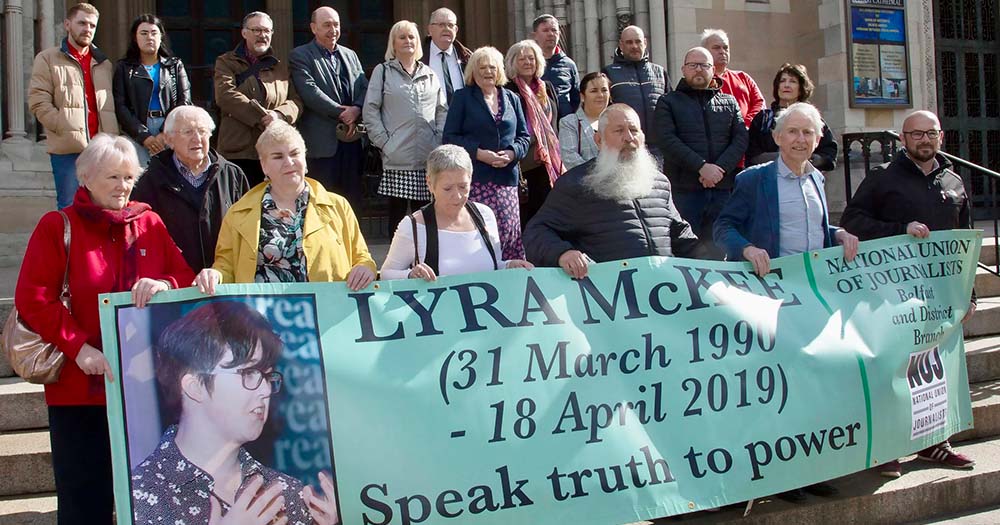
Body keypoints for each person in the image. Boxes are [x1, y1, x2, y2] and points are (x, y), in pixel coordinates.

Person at [14, 134, 195, 524]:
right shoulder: (56, 225)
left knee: (147, 498)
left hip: (145, 391)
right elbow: (33, 298)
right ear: (86, 178)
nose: (123, 186)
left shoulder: (149, 222)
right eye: (113, 177)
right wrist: (79, 348)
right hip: (79, 388)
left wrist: (163, 283)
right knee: (84, 498)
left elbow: (183, 278)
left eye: (129, 177)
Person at [714, 102, 859, 503]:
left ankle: (810, 468)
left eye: (807, 133)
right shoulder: (754, 179)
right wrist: (745, 249)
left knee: (810, 384)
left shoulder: (815, 180)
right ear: (777, 137)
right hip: (769, 299)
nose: (799, 140)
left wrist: (839, 233)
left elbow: (813, 230)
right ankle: (779, 474)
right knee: (777, 387)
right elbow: (724, 226)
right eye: (792, 132)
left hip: (811, 299)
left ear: (817, 140)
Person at [841, 110, 977, 478]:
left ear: (941, 136)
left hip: (941, 297)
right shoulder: (882, 178)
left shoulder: (953, 180)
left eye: (930, 133)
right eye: (915, 134)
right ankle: (888, 447)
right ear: (903, 139)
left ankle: (935, 442)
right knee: (893, 371)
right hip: (893, 294)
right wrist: (900, 228)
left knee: (934, 372)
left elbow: (964, 246)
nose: (923, 140)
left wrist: (970, 295)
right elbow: (852, 221)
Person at [130, 301, 337, 525]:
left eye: (268, 377)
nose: (266, 389)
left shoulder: (284, 492)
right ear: (195, 386)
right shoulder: (138, 495)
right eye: (248, 373)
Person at [194, 122, 375, 292]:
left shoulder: (338, 205)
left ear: (305, 159)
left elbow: (362, 257)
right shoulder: (238, 213)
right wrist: (215, 275)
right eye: (278, 156)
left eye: (295, 154)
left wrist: (365, 268)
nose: (289, 162)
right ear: (264, 166)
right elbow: (225, 266)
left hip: (325, 314)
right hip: (262, 320)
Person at [524, 104, 703, 276]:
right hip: (608, 296)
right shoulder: (577, 183)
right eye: (619, 131)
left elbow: (680, 235)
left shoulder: (658, 182)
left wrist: (712, 258)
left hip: (662, 293)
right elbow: (536, 232)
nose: (628, 138)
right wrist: (563, 254)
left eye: (634, 130)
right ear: (599, 140)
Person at [380, 145, 534, 280]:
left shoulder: (485, 215)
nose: (457, 196)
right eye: (447, 188)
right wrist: (410, 275)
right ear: (429, 183)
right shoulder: (413, 226)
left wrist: (509, 266)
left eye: (463, 186)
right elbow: (386, 274)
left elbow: (492, 266)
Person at [653, 46, 747, 260]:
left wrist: (719, 169)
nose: (698, 70)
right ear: (683, 69)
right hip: (684, 190)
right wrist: (702, 166)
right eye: (693, 65)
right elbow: (667, 140)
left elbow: (741, 139)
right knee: (687, 249)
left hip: (722, 189)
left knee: (720, 249)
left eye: (704, 66)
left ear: (713, 70)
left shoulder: (729, 102)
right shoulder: (668, 102)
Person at [131, 106, 249, 273]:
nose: (197, 139)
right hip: (174, 284)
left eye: (202, 131)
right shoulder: (151, 180)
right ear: (169, 140)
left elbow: (246, 231)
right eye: (187, 132)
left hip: (224, 282)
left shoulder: (232, 174)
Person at [443, 46, 531, 260]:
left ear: (499, 71)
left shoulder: (512, 98)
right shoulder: (462, 97)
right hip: (476, 180)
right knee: (478, 235)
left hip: (506, 182)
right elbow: (450, 136)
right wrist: (479, 153)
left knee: (508, 236)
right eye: (481, 67)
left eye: (492, 67)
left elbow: (524, 137)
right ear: (473, 71)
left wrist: (512, 153)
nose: (487, 71)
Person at [29, 3, 119, 210]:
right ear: (67, 24)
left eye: (92, 25)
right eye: (82, 23)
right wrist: (62, 124)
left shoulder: (103, 63)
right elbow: (38, 100)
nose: (87, 29)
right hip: (68, 149)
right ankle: (71, 244)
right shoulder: (47, 58)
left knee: (104, 205)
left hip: (101, 148)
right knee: (69, 206)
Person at [364, 20, 447, 229]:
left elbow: (441, 110)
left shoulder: (429, 73)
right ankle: (399, 262)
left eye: (411, 37)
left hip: (427, 157)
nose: (407, 41)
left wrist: (437, 140)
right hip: (397, 157)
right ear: (393, 43)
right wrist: (384, 142)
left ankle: (426, 259)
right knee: (398, 221)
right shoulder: (382, 72)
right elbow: (371, 109)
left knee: (427, 218)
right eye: (402, 37)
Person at [289, 7, 368, 209]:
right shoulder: (300, 55)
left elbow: (364, 87)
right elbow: (309, 92)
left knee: (351, 202)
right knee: (322, 202)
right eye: (327, 25)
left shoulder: (350, 55)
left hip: (351, 143)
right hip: (322, 146)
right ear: (313, 28)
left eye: (336, 24)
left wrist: (357, 109)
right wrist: (343, 112)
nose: (333, 29)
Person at [215, 11, 301, 188]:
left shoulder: (280, 66)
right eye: (256, 30)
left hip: (275, 150)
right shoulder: (226, 62)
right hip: (239, 152)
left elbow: (295, 101)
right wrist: (262, 118)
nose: (262, 35)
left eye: (267, 31)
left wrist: (278, 115)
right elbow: (225, 95)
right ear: (244, 33)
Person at [112, 14, 191, 167]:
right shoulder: (124, 67)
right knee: (140, 179)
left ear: (161, 36)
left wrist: (165, 133)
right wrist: (143, 135)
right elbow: (120, 105)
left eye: (154, 33)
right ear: (135, 38)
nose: (149, 37)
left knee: (172, 178)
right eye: (144, 33)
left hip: (171, 129)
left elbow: (184, 100)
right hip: (138, 131)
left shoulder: (174, 66)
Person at [504, 39, 563, 227]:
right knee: (526, 217)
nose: (528, 62)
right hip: (524, 163)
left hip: (547, 163)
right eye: (522, 59)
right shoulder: (508, 91)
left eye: (531, 58)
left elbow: (554, 123)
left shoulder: (548, 88)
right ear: (513, 63)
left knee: (547, 214)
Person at [747, 63, 837, 171]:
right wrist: (786, 159)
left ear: (801, 88)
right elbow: (752, 154)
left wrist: (805, 160)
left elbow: (829, 153)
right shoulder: (763, 119)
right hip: (767, 177)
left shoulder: (811, 118)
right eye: (782, 81)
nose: (786, 85)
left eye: (793, 81)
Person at [603, 25, 671, 157]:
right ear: (621, 45)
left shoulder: (660, 72)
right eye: (629, 42)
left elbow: (671, 109)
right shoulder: (608, 72)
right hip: (625, 146)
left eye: (638, 41)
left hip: (658, 147)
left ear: (645, 43)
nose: (634, 46)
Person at [701, 28, 765, 128]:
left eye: (725, 48)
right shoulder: (701, 80)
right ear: (705, 51)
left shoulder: (743, 77)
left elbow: (759, 103)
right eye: (717, 48)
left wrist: (746, 124)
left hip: (748, 135)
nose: (722, 51)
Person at [532, 14, 580, 120]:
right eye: (545, 30)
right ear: (535, 35)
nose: (550, 34)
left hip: (563, 124)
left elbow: (576, 98)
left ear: (559, 33)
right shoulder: (529, 62)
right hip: (536, 123)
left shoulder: (569, 64)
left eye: (554, 30)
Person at [559, 72, 610, 170]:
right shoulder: (569, 123)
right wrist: (599, 174)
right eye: (594, 91)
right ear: (582, 96)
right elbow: (570, 159)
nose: (600, 95)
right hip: (584, 182)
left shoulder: (617, 121)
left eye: (604, 90)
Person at [422, 7, 471, 105]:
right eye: (441, 25)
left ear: (456, 30)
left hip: (463, 118)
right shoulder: (418, 58)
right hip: (431, 117)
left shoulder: (468, 58)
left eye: (450, 25)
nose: (446, 29)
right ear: (430, 29)